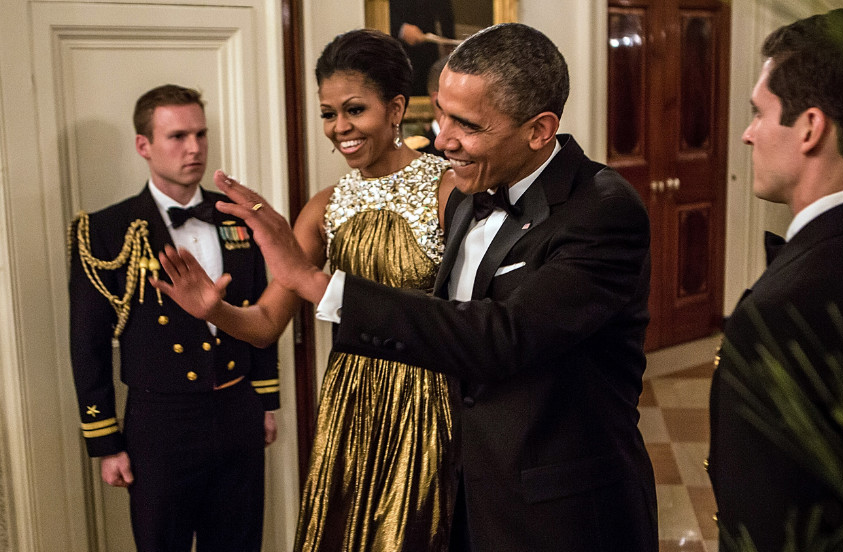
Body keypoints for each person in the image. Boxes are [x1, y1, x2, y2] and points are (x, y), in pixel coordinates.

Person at [161, 22, 660, 552]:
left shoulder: (602, 210)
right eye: (442, 112)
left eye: (465, 123)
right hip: (463, 473)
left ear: (539, 130)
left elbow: (502, 335)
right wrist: (217, 309)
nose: (442, 139)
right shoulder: (477, 186)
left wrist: (314, 282)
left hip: (556, 505)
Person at [154, 30, 457, 551]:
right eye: (327, 113)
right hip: (351, 404)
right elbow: (267, 322)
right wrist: (214, 310)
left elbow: (472, 317)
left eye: (354, 109)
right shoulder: (323, 206)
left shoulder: (451, 190)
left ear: (396, 108)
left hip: (432, 399)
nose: (339, 128)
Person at [706, 9, 843, 552]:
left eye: (758, 113)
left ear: (811, 127)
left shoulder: (785, 311)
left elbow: (767, 527)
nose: (747, 134)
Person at [67, 84, 280, 551]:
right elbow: (88, 343)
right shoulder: (104, 231)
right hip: (161, 423)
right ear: (143, 145)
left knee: (240, 542)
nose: (195, 148)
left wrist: (264, 399)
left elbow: (261, 309)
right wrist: (105, 442)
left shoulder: (237, 218)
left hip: (236, 408)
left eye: (201, 135)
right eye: (178, 136)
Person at [390, 0, 455, 96]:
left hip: (427, 47)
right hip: (395, 49)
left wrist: (449, 39)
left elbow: (444, 9)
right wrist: (400, 28)